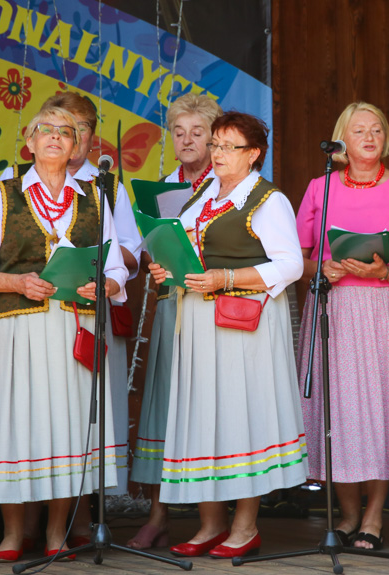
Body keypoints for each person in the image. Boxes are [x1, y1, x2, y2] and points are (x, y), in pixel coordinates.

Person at [0, 106, 128, 562]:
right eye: (45, 130)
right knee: (18, 424)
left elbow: (116, 267)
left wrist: (108, 284)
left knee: (70, 429)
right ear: (29, 142)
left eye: (66, 132)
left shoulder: (95, 196)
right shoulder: (4, 193)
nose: (56, 137)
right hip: (18, 328)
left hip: (73, 326)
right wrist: (16, 281)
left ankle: (57, 532)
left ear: (77, 147)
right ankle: (14, 534)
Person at [148, 111, 307, 559]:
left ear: (253, 154)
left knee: (242, 417)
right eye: (215, 144)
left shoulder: (267, 199)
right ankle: (210, 524)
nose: (216, 153)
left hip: (243, 325)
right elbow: (187, 248)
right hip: (198, 323)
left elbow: (291, 265)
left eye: (227, 146)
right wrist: (168, 266)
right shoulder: (204, 194)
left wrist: (225, 277)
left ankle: (245, 525)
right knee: (206, 416)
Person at [295, 101, 389, 550]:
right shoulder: (320, 188)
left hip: (386, 311)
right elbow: (297, 257)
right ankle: (348, 515)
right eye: (359, 131)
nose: (369, 137)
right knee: (340, 412)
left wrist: (385, 272)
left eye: (377, 130)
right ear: (342, 141)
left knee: (379, 414)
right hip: (334, 307)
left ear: (385, 138)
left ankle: (374, 515)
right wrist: (323, 266)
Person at [126, 93, 222, 550]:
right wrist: (154, 261)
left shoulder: (228, 183)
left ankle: (216, 519)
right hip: (173, 304)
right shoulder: (163, 185)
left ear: (214, 136)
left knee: (209, 407)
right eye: (179, 132)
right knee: (166, 402)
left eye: (197, 132)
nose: (186, 140)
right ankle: (159, 514)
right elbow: (149, 246)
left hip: (215, 304)